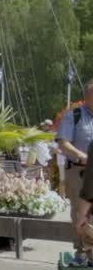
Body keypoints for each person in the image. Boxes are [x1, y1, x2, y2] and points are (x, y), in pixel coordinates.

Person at [56, 79, 93, 256]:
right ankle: (82, 250)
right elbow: (63, 143)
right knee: (80, 212)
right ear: (87, 96)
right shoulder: (74, 115)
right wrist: (82, 155)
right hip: (79, 171)